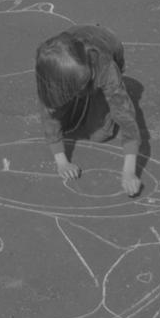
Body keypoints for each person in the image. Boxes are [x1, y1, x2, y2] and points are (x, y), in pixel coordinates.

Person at [35, 25, 142, 197]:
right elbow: (49, 115)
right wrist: (62, 162)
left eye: (83, 84)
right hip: (73, 55)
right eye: (76, 89)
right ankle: (79, 93)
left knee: (100, 135)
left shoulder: (105, 67)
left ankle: (101, 91)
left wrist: (129, 171)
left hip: (108, 43)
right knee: (64, 119)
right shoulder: (50, 73)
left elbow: (125, 115)